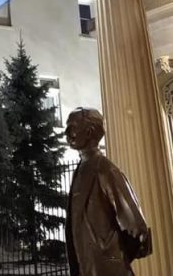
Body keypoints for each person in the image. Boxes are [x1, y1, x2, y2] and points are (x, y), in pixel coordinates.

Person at [65, 108, 151, 276]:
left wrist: (113, 258)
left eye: (72, 127)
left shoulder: (105, 170)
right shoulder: (81, 169)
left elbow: (137, 227)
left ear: (89, 132)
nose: (66, 133)